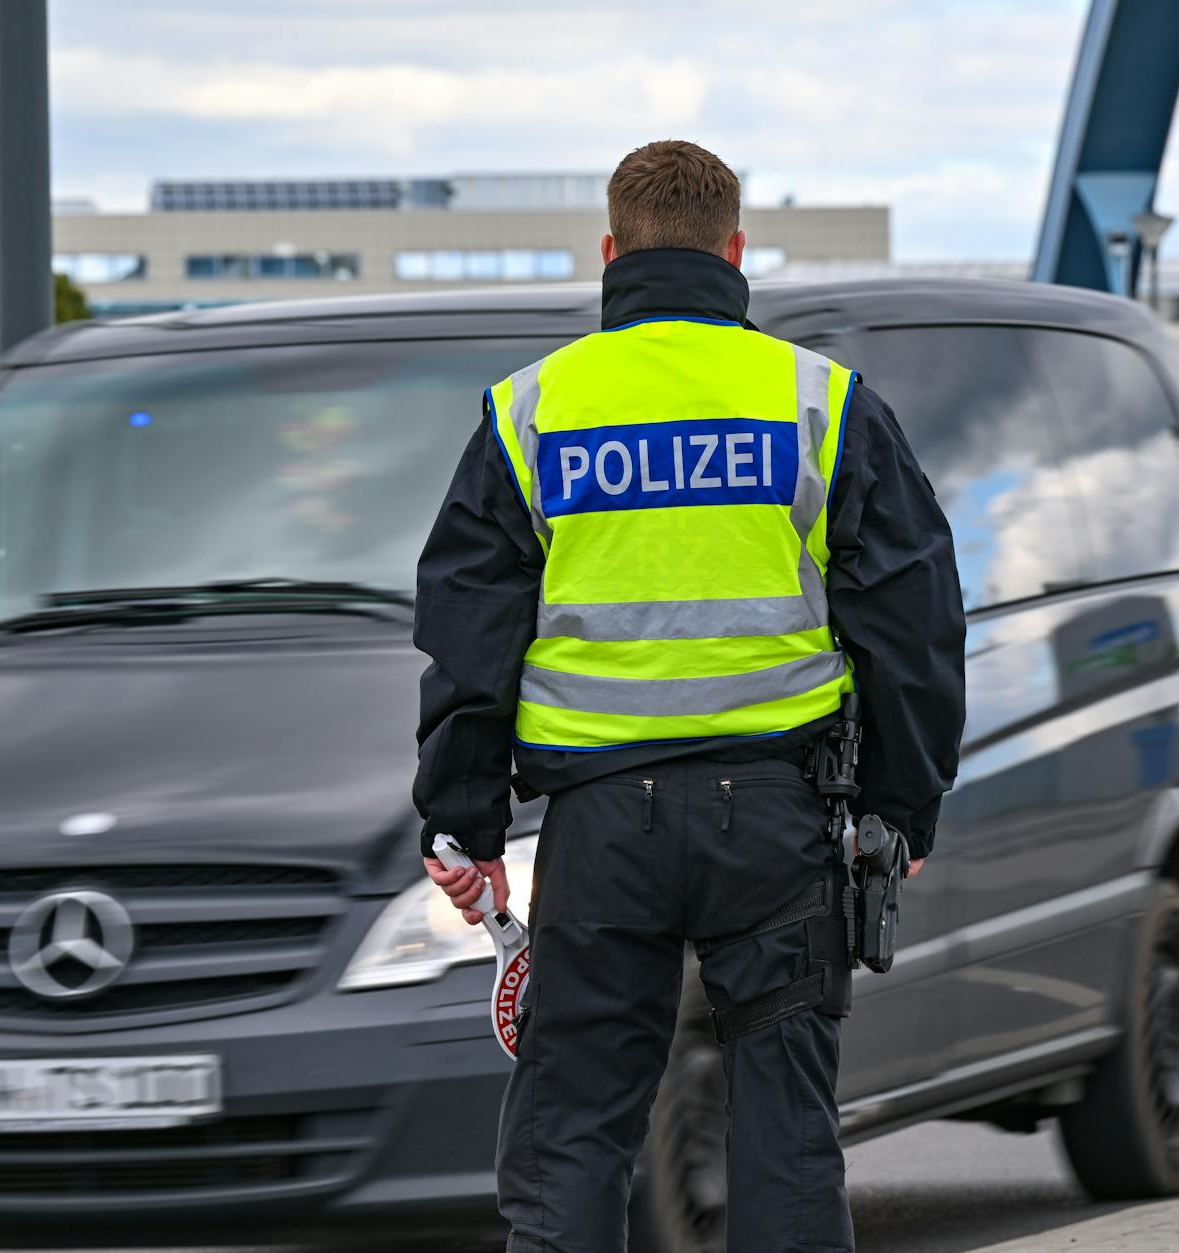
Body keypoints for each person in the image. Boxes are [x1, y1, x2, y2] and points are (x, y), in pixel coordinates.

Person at [412, 139, 965, 1252]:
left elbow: (468, 634)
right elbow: (910, 621)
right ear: (737, 252)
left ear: (609, 253)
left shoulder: (530, 412)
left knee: (574, 1128)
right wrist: (901, 807)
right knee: (783, 1130)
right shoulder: (820, 402)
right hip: (777, 822)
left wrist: (463, 820)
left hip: (600, 833)